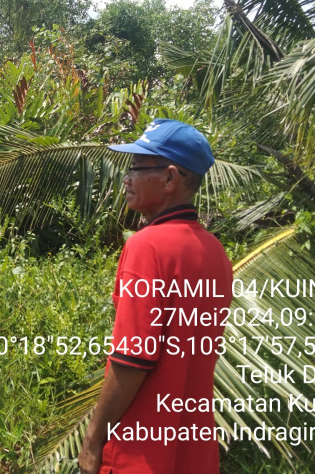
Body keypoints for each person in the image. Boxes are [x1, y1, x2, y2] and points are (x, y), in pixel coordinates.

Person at [78, 119, 233, 474]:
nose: (126, 179)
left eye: (136, 168)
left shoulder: (147, 246)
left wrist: (93, 439)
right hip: (194, 452)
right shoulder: (215, 253)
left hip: (140, 453)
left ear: (169, 179)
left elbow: (133, 359)